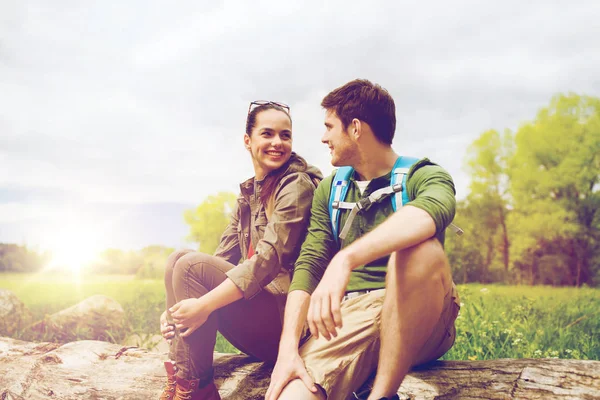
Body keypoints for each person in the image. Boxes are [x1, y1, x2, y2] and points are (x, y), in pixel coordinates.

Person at [266, 79, 461, 400]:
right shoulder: (330, 190)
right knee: (293, 396)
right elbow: (310, 264)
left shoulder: (425, 175)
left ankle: (382, 396)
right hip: (350, 318)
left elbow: (430, 213)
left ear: (355, 128)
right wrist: (288, 348)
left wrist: (346, 259)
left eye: (329, 126)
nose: (323, 137)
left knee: (418, 250)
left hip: (422, 315)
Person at [159, 101, 323, 400]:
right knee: (178, 260)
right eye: (268, 134)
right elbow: (221, 259)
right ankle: (186, 382)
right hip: (266, 315)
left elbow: (268, 260)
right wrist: (179, 307)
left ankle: (196, 389)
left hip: (293, 326)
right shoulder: (251, 193)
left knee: (191, 267)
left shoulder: (297, 186)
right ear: (248, 140)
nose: (277, 143)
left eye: (285, 135)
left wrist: (204, 305)